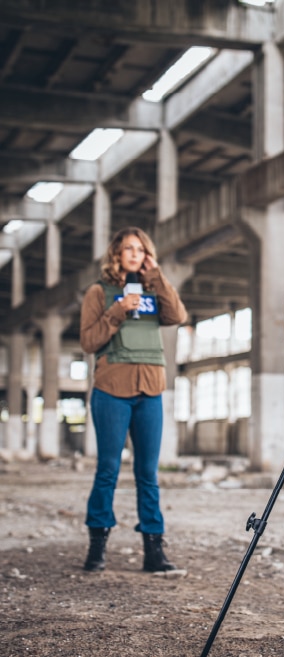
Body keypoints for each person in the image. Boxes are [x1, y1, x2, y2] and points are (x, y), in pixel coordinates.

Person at [80, 226, 187, 573]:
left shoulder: (154, 290)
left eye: (140, 250)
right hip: (112, 389)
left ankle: (154, 552)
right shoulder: (99, 292)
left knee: (148, 473)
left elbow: (177, 316)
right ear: (116, 254)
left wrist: (156, 276)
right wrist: (117, 311)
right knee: (108, 470)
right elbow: (88, 342)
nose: (134, 254)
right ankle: (97, 547)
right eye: (128, 248)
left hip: (151, 390)